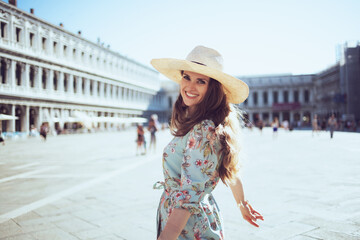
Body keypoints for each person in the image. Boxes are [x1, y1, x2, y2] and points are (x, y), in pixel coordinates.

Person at [151, 45, 263, 240]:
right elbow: (228, 169)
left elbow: (187, 197)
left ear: (212, 88)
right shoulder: (203, 123)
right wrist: (242, 203)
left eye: (200, 81)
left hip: (186, 225)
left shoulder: (203, 131)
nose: (190, 87)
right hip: (193, 218)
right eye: (186, 77)